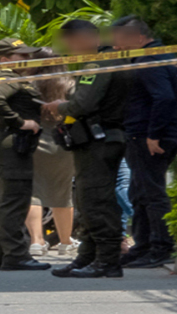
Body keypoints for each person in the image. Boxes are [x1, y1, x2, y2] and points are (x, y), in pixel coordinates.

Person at [43, 19, 129, 278]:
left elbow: (83, 104)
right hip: (99, 138)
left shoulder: (99, 63)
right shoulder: (109, 59)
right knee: (86, 199)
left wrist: (60, 106)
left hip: (99, 139)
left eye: (68, 43)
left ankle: (107, 261)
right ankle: (88, 257)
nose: (69, 50)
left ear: (79, 38)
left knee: (95, 201)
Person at [112, 16, 177, 269]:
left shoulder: (148, 61)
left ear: (137, 38)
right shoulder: (160, 56)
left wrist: (154, 134)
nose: (116, 47)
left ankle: (161, 248)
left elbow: (164, 98)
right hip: (150, 134)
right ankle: (143, 246)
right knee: (139, 192)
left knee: (152, 193)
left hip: (148, 137)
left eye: (120, 41)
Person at [0, 37, 50, 271]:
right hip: (10, 144)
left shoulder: (11, 77)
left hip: (3, 143)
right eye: (22, 56)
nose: (28, 59)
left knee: (2, 203)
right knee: (13, 204)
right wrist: (21, 122)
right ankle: (16, 256)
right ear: (4, 59)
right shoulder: (6, 77)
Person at [26, 48, 78, 257]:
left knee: (33, 192)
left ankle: (37, 242)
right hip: (62, 142)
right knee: (63, 193)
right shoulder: (70, 83)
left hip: (34, 139)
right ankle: (65, 242)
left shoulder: (27, 84)